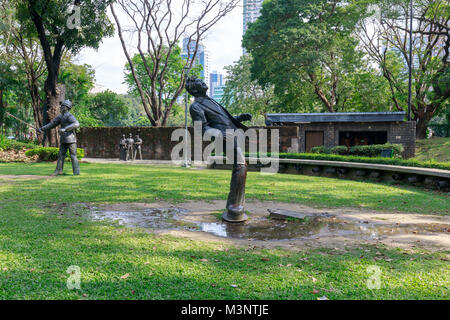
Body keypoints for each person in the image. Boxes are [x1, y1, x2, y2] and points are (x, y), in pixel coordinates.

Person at [185, 76, 252, 222]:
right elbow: (201, 129)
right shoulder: (195, 106)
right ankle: (234, 205)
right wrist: (220, 134)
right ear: (195, 88)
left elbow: (222, 120)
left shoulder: (210, 100)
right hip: (224, 138)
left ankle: (236, 204)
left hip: (231, 135)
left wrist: (239, 118)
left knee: (241, 167)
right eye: (200, 83)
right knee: (241, 166)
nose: (203, 83)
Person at [37, 100, 80, 176]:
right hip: (63, 139)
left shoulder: (69, 116)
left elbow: (76, 124)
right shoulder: (60, 116)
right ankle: (58, 170)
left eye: (63, 106)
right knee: (60, 155)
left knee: (73, 155)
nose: (61, 107)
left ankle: (76, 172)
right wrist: (42, 129)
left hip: (71, 139)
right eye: (61, 106)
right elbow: (52, 124)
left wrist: (65, 129)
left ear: (67, 108)